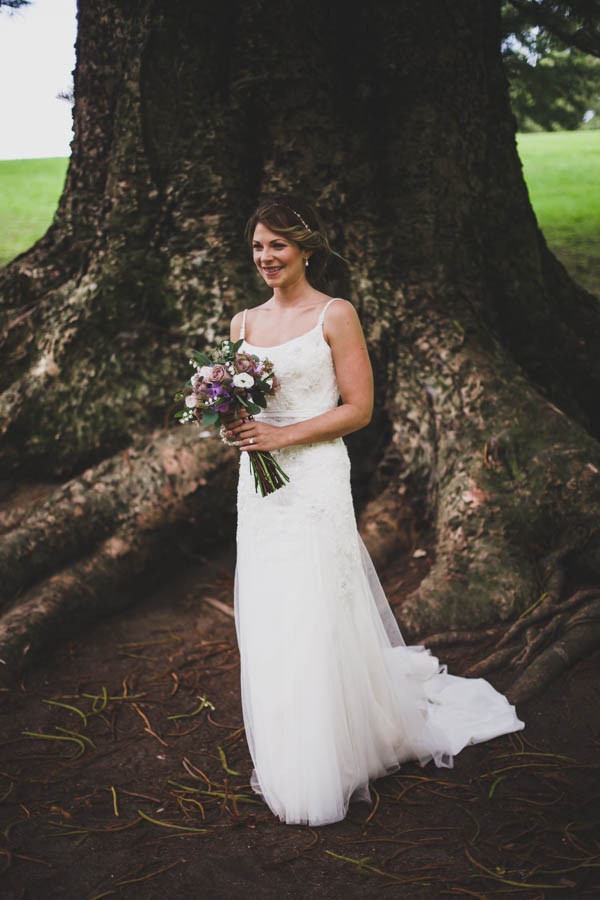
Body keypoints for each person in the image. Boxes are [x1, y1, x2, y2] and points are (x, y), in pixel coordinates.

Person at [222, 196, 524, 827]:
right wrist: (236, 425)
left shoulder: (335, 313)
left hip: (316, 475)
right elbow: (243, 403)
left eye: (277, 245)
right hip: (261, 484)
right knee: (275, 601)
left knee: (319, 599)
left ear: (305, 248)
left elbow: (358, 409)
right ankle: (291, 738)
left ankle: (340, 745)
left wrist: (283, 436)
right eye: (257, 246)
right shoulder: (241, 322)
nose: (266, 257)